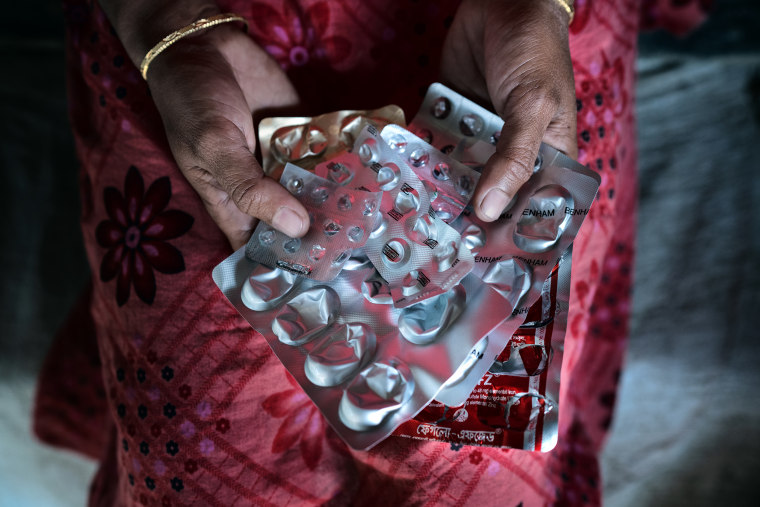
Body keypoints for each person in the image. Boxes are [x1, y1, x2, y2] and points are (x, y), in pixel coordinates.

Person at [34, 0, 708, 504]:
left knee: (489, 461)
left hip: (516, 23)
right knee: (204, 453)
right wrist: (165, 23)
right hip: (193, 33)